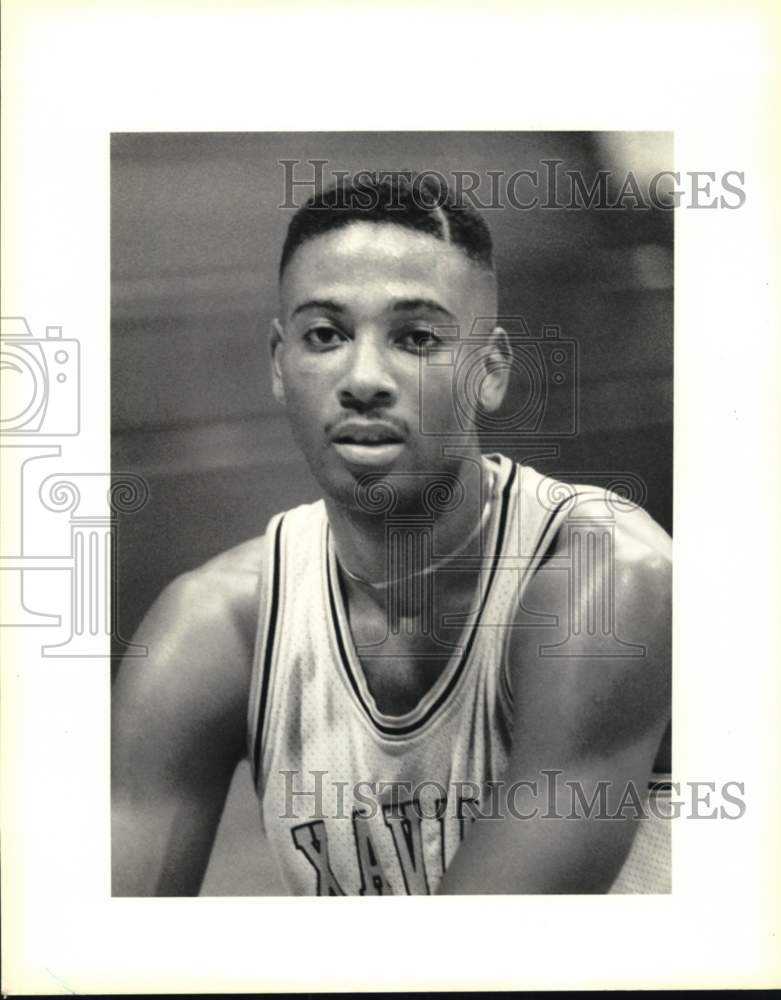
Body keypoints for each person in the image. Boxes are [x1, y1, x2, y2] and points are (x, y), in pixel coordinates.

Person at [112, 176, 672, 897]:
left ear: (491, 370)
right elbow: (94, 949)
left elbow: (476, 962)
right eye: (325, 335)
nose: (363, 378)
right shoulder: (215, 626)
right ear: (278, 365)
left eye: (415, 337)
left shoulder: (608, 578)